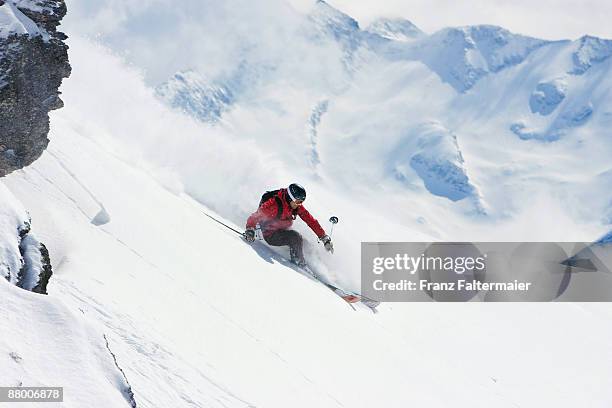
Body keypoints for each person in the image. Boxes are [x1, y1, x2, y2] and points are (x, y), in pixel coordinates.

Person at [244, 183, 333, 267]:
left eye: (301, 201)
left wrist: (323, 237)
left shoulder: (296, 206)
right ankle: (299, 262)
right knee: (295, 237)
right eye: (298, 201)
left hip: (282, 231)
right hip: (270, 235)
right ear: (291, 198)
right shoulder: (274, 204)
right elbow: (255, 217)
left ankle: (321, 267)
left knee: (306, 244)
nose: (300, 204)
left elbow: (310, 220)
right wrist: (250, 230)